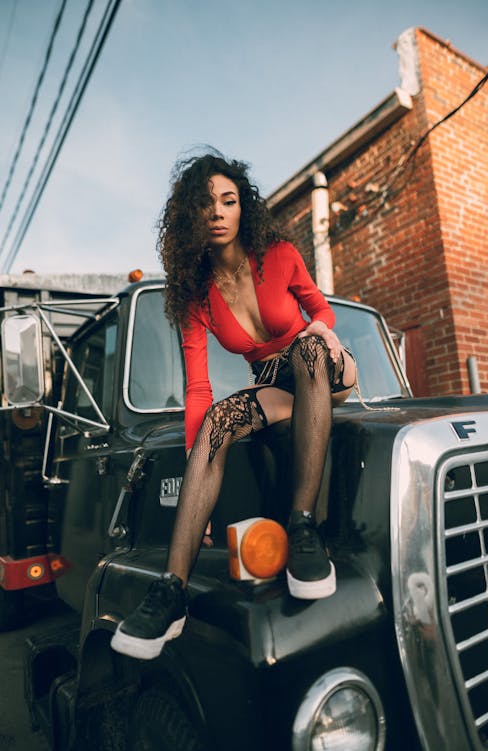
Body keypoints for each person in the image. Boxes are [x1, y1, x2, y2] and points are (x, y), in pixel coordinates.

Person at [111, 151, 356, 660]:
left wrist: (323, 330)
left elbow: (320, 307)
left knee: (308, 351)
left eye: (229, 200)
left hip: (326, 368)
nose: (219, 211)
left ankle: (303, 526)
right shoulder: (195, 297)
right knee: (219, 418)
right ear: (192, 217)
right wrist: (196, 499)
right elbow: (198, 390)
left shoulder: (281, 253)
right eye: (207, 204)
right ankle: (171, 591)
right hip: (275, 384)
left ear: (244, 207)